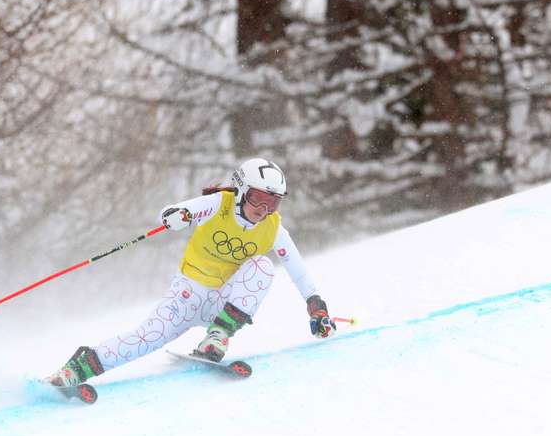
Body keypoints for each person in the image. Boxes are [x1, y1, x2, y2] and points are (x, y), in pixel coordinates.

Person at [48, 157, 337, 387]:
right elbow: (182, 210)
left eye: (273, 202)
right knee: (146, 338)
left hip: (222, 305)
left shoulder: (273, 228)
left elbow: (296, 268)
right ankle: (76, 370)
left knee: (262, 266)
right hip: (187, 296)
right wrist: (176, 216)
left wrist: (316, 306)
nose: (264, 209)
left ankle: (217, 336)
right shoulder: (219, 204)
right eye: (259, 198)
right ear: (240, 190)